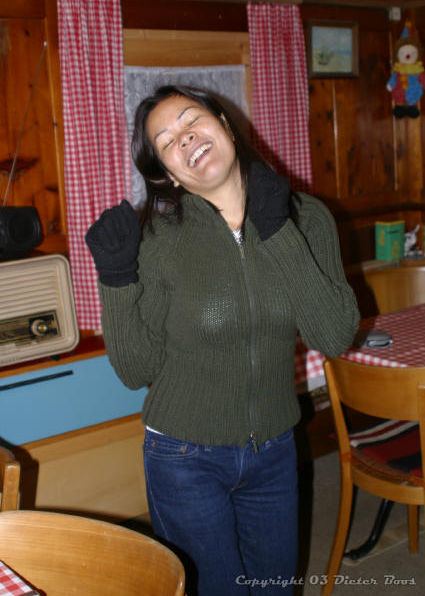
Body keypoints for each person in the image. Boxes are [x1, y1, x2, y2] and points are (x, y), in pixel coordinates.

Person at [85, 85, 360, 595]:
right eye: (167, 141)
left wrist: (278, 231)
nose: (184, 137)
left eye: (191, 119)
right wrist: (117, 280)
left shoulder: (306, 217)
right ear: (169, 174)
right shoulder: (159, 241)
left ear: (225, 124)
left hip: (275, 450)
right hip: (183, 458)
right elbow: (136, 370)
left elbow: (334, 335)